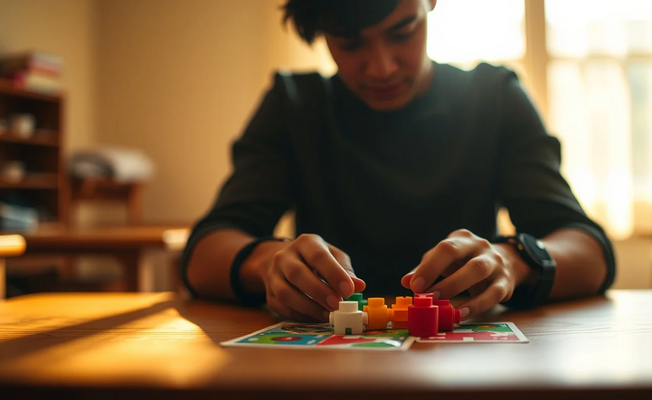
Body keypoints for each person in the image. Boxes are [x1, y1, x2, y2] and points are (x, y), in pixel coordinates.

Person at [181, 0, 616, 323]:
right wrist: (265, 264)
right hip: (325, 375)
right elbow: (204, 252)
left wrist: (515, 261)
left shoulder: (495, 98)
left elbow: (590, 251)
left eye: (403, 31)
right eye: (350, 43)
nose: (382, 67)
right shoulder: (294, 105)